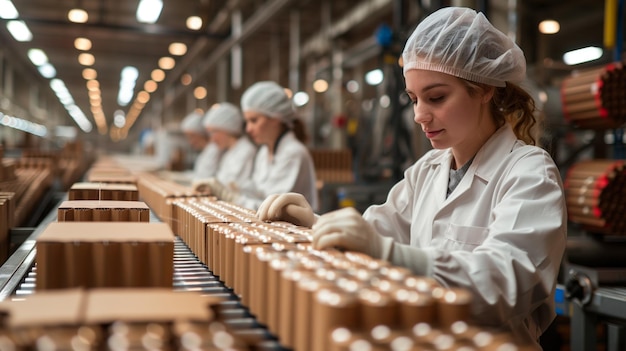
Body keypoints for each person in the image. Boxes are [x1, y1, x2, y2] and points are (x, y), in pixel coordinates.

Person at [255, 7, 566, 349]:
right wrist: (316, 223)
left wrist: (391, 254)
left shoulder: (529, 173)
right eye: (414, 99)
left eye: (436, 97)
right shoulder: (428, 169)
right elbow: (378, 230)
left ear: (484, 89)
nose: (419, 115)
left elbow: (507, 284)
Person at [196, 81, 318, 211]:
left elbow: (273, 209)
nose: (248, 129)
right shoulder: (264, 152)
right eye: (247, 121)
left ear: (275, 119)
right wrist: (235, 188)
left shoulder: (293, 153)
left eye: (254, 120)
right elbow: (259, 191)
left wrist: (229, 196)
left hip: (293, 230)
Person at [194, 102, 257, 191]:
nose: (212, 139)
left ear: (226, 129)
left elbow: (235, 189)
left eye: (213, 132)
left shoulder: (246, 151)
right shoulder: (228, 152)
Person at [180, 111, 222, 181]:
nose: (190, 141)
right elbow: (198, 175)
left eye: (192, 136)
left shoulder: (215, 149)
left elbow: (206, 177)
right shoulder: (205, 151)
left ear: (201, 133)